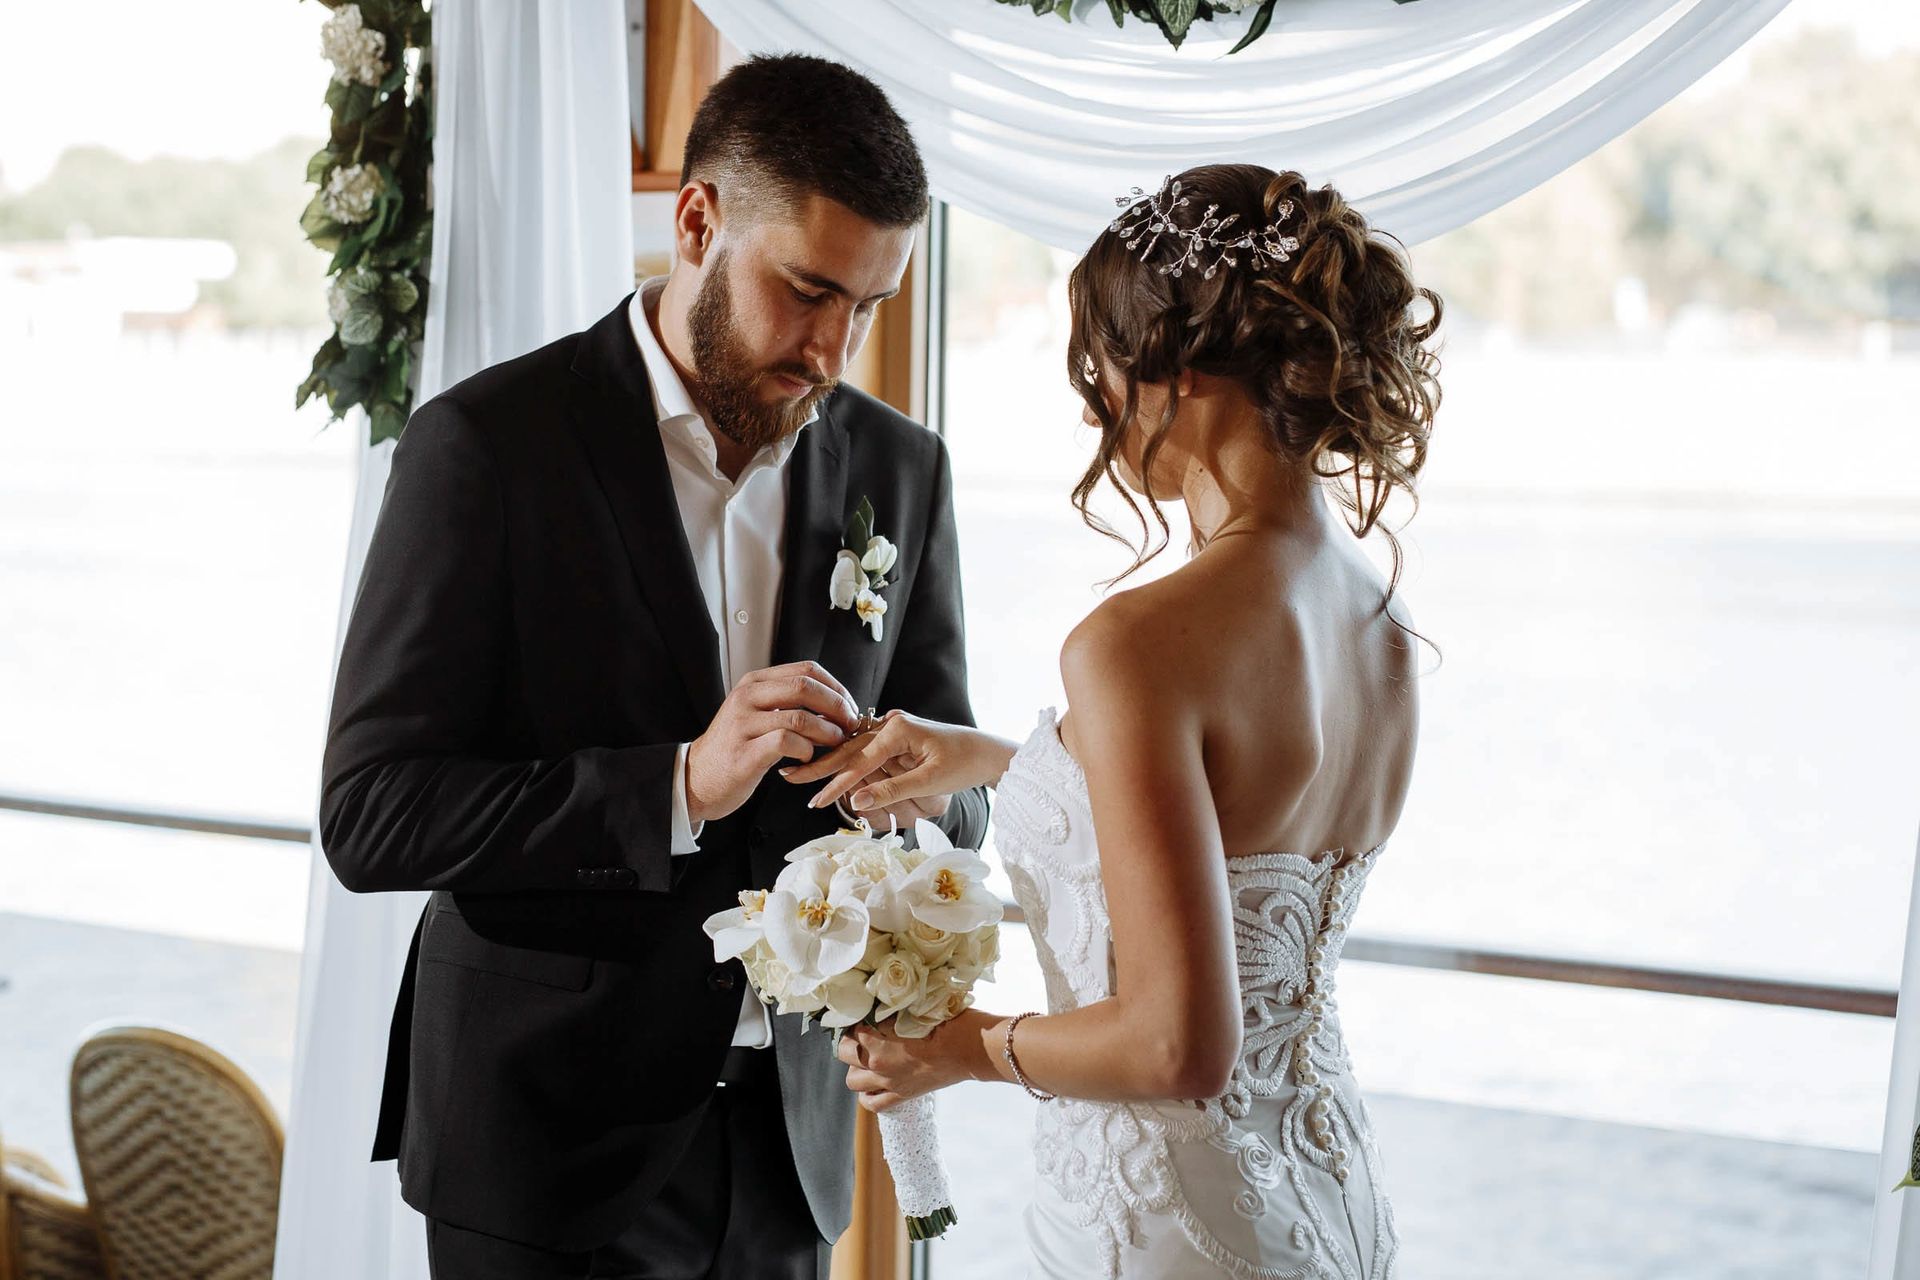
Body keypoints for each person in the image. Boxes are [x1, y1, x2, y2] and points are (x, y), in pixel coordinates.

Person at [319, 53, 988, 1280]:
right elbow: (371, 814)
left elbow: (960, 773)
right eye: (807, 290)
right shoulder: (486, 447)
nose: (834, 350)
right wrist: (679, 782)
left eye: (871, 306)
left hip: (792, 1146)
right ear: (697, 221)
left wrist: (927, 790)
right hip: (544, 1150)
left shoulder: (904, 469)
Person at [786, 163, 1441, 1279]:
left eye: (1103, 368)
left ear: (1175, 372)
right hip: (1329, 1195)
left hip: (1167, 1223)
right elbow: (1234, 813)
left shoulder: (1136, 642)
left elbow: (1176, 1042)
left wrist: (965, 1049)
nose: (1098, 406)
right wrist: (1002, 761)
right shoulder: (1382, 621)